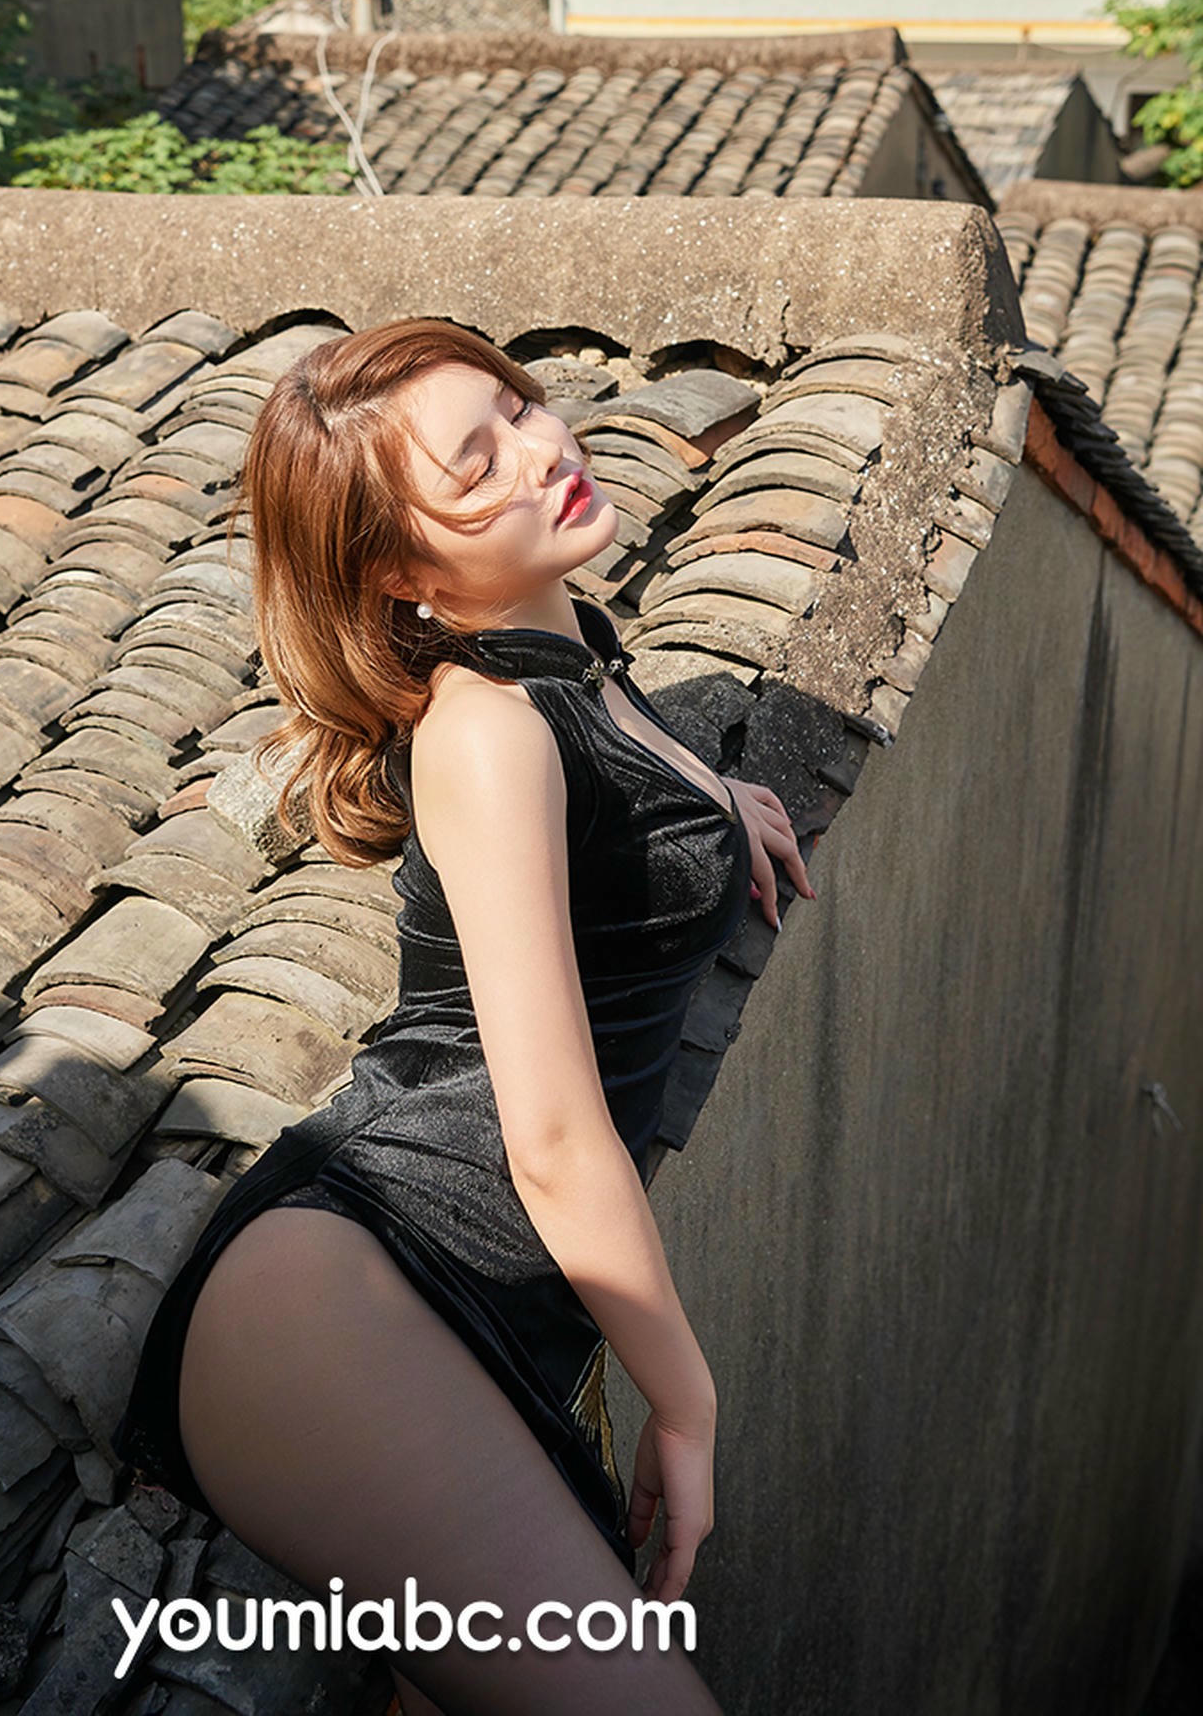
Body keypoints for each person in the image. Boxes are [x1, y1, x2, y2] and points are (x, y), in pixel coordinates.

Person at [118, 319, 813, 1714]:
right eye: (476, 461)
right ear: (401, 572)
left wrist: (710, 802)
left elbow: (608, 792)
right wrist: (686, 1405)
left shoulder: (575, 654)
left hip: (463, 1295)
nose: (543, 448)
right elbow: (549, 1141)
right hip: (360, 1290)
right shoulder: (485, 731)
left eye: (520, 406)